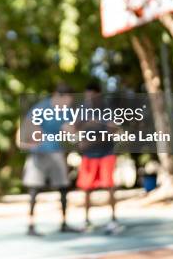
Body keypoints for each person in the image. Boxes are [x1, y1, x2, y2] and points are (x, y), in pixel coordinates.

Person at [21, 83, 75, 236]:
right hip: (38, 155)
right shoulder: (40, 108)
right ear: (56, 95)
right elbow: (27, 129)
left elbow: (68, 130)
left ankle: (64, 223)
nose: (67, 105)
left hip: (57, 153)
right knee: (34, 190)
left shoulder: (66, 112)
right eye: (65, 101)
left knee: (63, 188)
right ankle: (31, 226)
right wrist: (29, 142)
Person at [75, 82, 121, 234]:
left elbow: (114, 129)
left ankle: (113, 221)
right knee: (86, 188)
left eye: (92, 95)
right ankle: (87, 221)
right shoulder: (82, 109)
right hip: (89, 155)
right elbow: (75, 127)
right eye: (87, 95)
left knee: (109, 186)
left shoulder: (107, 109)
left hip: (106, 153)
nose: (89, 98)